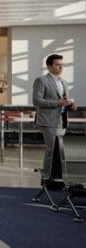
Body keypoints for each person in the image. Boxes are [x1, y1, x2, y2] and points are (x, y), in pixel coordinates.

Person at [33, 53, 78, 181]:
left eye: (62, 65)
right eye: (57, 65)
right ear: (49, 66)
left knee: (60, 151)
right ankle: (47, 177)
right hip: (48, 121)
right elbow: (37, 101)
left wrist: (71, 105)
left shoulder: (64, 82)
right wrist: (56, 103)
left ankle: (58, 178)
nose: (60, 68)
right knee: (52, 150)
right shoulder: (41, 80)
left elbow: (63, 101)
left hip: (61, 120)